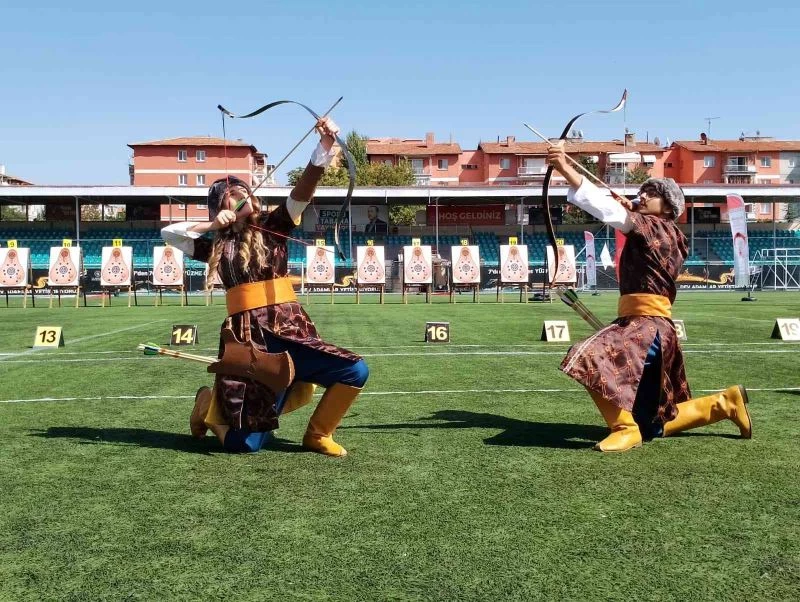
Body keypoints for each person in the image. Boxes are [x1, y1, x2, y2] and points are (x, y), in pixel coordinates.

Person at [161, 117, 368, 457]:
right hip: (248, 341)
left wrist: (324, 147)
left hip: (290, 331)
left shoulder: (275, 224)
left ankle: (318, 434)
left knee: (354, 370)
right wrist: (211, 225)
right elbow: (168, 234)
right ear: (219, 207)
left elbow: (302, 192)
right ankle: (206, 405)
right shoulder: (213, 245)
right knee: (243, 445)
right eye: (231, 195)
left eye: (244, 190)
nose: (241, 194)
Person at [546, 142, 751, 452]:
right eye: (641, 191)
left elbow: (611, 212)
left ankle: (624, 428)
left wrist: (565, 168)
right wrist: (630, 209)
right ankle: (724, 403)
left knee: (587, 355)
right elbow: (620, 215)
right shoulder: (662, 230)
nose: (642, 196)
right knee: (652, 422)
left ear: (668, 208)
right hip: (649, 325)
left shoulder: (658, 228)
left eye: (651, 193)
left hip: (647, 326)